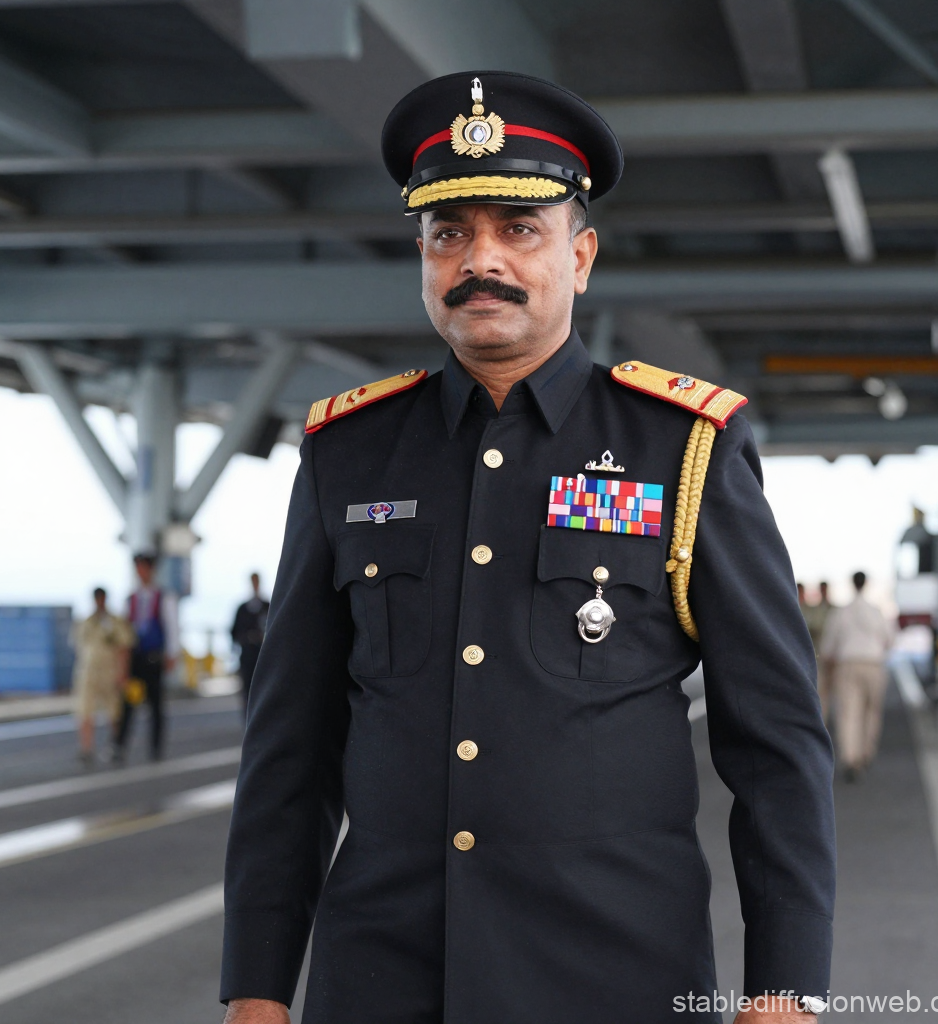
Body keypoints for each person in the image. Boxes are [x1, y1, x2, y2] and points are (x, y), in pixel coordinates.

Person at [222, 72, 835, 1024]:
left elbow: (776, 739)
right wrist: (256, 985)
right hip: (386, 980)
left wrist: (786, 988)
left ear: (581, 256)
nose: (482, 259)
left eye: (519, 229)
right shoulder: (348, 452)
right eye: (450, 233)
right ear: (423, 257)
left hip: (615, 977)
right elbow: (291, 746)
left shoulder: (682, 447)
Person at [820, 571, 893, 782]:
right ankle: (866, 752)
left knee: (848, 712)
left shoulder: (841, 612)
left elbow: (828, 646)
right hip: (873, 663)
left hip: (847, 663)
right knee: (871, 711)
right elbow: (889, 640)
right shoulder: (876, 611)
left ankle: (850, 757)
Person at [113, 553, 178, 762]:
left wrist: (171, 654)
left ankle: (156, 749)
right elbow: (123, 632)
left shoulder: (164, 597)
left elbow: (171, 627)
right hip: (135, 659)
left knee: (156, 705)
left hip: (154, 658)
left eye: (144, 567)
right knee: (128, 704)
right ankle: (120, 746)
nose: (141, 572)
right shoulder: (130, 599)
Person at [71, 587, 134, 764]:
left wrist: (123, 673)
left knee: (114, 711)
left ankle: (116, 745)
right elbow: (78, 646)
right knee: (84, 710)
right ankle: (86, 748)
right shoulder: (86, 622)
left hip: (110, 672)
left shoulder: (115, 622)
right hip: (88, 672)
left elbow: (124, 648)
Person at [231, 573, 269, 718]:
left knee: (264, 689)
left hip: (263, 655)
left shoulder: (267, 606)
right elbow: (234, 632)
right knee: (247, 690)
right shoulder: (242, 609)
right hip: (247, 655)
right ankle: (248, 720)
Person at [802, 581, 834, 720]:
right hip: (818, 656)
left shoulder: (832, 610)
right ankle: (822, 720)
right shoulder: (809, 610)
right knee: (821, 691)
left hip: (829, 655)